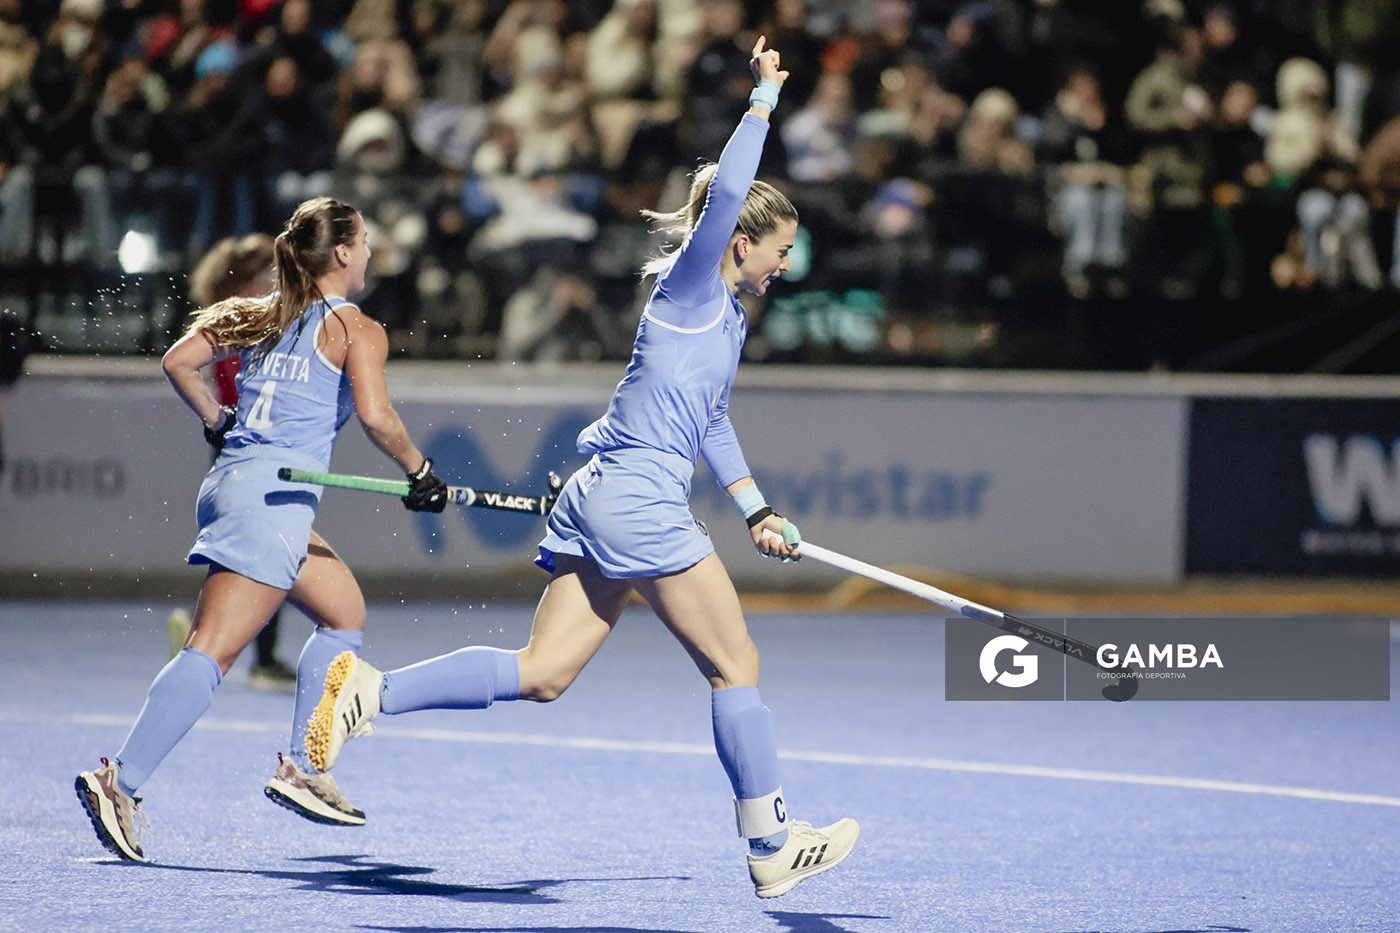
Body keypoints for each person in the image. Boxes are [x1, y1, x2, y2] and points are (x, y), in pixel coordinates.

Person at [305, 40, 859, 900]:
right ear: (740, 241)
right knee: (735, 663)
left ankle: (370, 693)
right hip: (637, 501)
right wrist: (763, 102)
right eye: (779, 249)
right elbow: (727, 191)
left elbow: (711, 419)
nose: (786, 264)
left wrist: (755, 510)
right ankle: (772, 842)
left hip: (605, 495)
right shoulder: (691, 287)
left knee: (544, 672)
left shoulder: (729, 319)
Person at [75, 197, 449, 862]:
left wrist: (216, 419)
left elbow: (177, 362)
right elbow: (377, 418)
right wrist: (421, 471)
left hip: (241, 487)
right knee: (211, 650)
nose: (369, 252)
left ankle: (307, 764)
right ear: (342, 253)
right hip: (270, 503)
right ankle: (119, 781)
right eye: (364, 241)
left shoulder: (261, 312)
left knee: (343, 612)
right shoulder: (357, 328)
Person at [165, 233, 298, 691]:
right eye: (269, 276)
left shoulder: (241, 319)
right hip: (249, 451)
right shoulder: (245, 322)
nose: (277, 283)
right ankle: (263, 660)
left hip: (238, 451)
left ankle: (199, 635)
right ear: (246, 280)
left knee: (244, 559)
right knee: (272, 556)